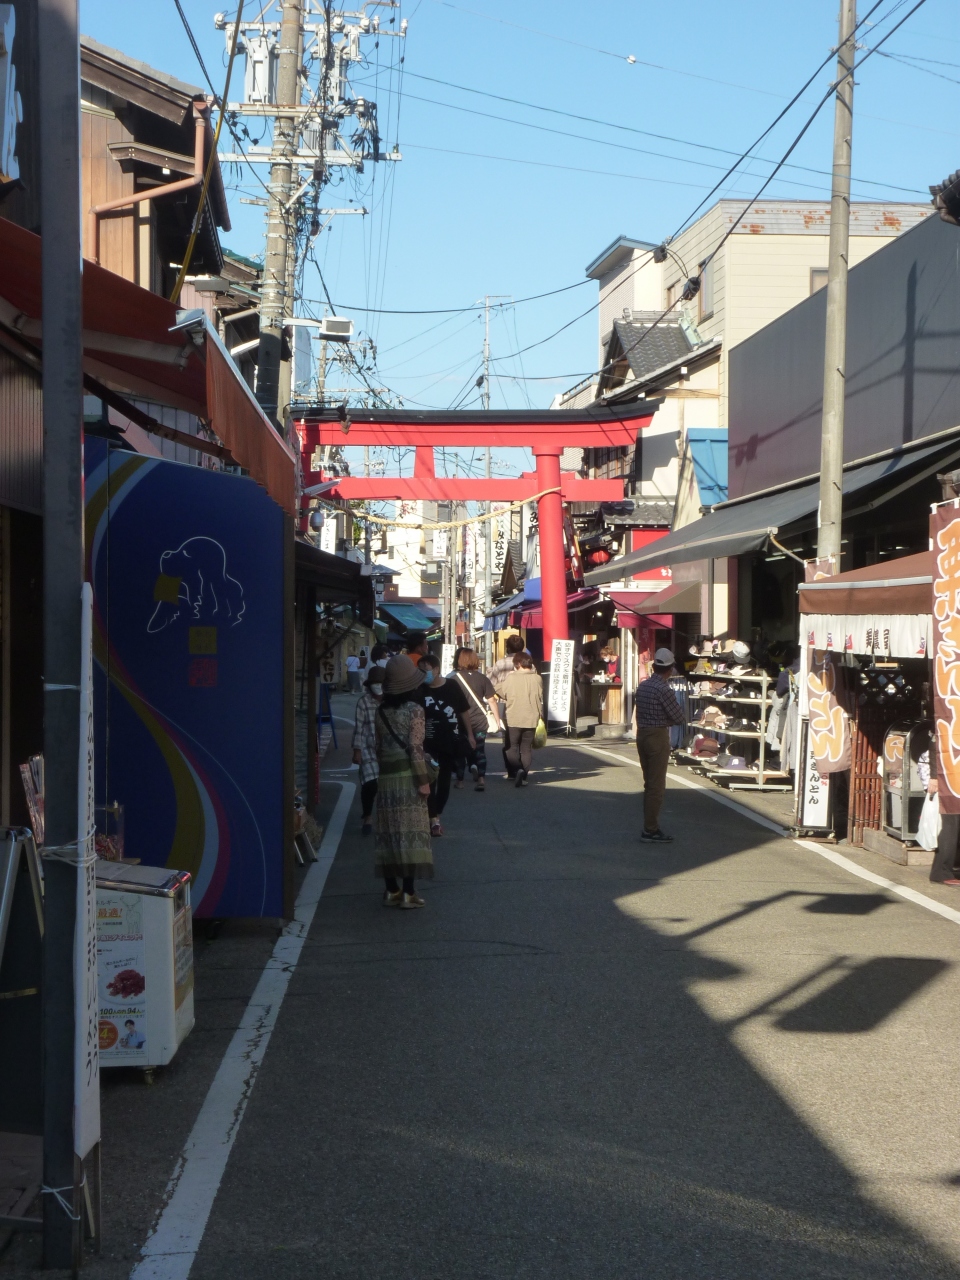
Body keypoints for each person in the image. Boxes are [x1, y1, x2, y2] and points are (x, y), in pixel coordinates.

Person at [374, 655, 433, 908]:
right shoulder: (415, 710)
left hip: (386, 779)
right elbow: (416, 748)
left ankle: (391, 890)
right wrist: (423, 780)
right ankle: (409, 892)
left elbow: (378, 748)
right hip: (408, 777)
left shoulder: (380, 711)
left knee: (389, 832)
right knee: (411, 832)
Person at [417, 652, 475, 836]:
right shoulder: (419, 689)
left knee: (444, 781)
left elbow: (464, 711)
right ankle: (433, 819)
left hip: (450, 740)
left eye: (426, 669)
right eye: (420, 670)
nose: (423, 673)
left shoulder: (451, 686)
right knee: (429, 781)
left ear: (436, 669)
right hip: (427, 743)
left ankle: (437, 814)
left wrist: (470, 735)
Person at [634, 647, 685, 842]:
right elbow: (678, 717)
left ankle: (649, 825)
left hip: (642, 734)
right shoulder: (664, 690)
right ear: (670, 669)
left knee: (649, 783)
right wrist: (666, 720)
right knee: (656, 786)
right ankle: (651, 828)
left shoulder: (643, 686)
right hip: (657, 736)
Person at [453, 647, 500, 792]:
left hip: (460, 721)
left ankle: (460, 781)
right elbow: (491, 700)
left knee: (460, 752)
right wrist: (497, 720)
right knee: (480, 750)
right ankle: (481, 779)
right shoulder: (482, 678)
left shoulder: (454, 679)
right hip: (479, 721)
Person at [500, 653, 543, 787]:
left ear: (518, 664)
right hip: (532, 718)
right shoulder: (538, 678)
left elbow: (503, 692)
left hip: (514, 717)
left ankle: (518, 769)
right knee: (526, 748)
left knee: (511, 747)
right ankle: (523, 776)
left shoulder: (511, 677)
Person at [352, 666, 385, 835]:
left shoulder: (390, 701)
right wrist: (357, 750)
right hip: (368, 747)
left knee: (386, 784)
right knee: (370, 784)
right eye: (375, 683)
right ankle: (367, 816)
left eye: (381, 683)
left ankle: (386, 816)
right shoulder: (364, 702)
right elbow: (359, 727)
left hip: (387, 749)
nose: (378, 686)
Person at [490, 634, 526, 775]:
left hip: (506, 704)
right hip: (525, 704)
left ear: (508, 648)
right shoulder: (528, 664)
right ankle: (522, 767)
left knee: (509, 740)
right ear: (522, 648)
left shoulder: (500, 664)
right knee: (524, 740)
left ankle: (512, 770)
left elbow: (491, 684)